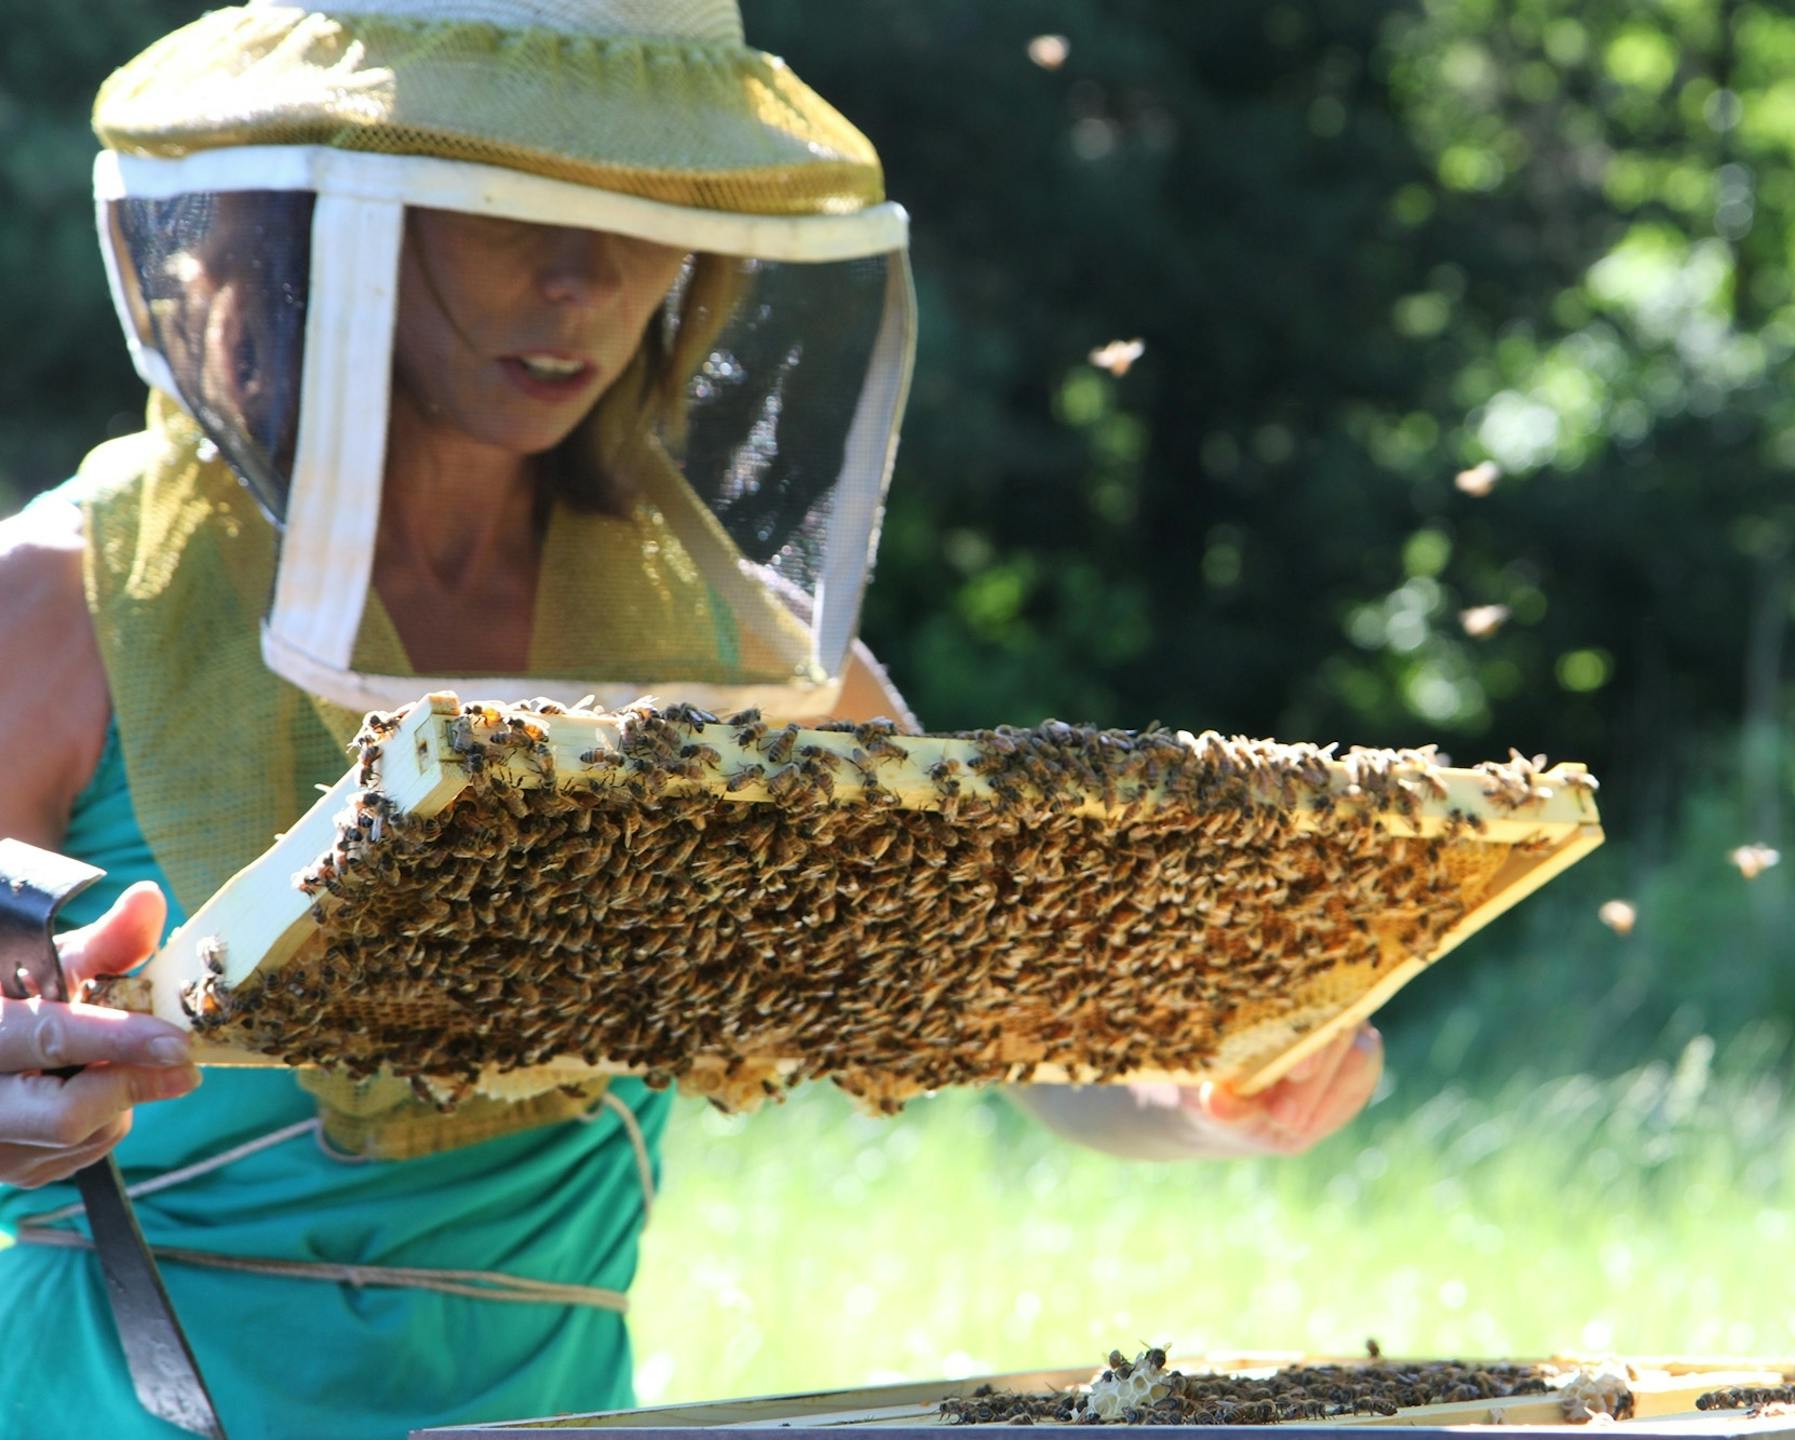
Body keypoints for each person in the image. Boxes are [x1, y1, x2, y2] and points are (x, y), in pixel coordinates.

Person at [0, 3, 1382, 1435]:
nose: (585, 280)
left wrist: (1206, 1075)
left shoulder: (722, 641)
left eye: (642, 204)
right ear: (315, 213)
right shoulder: (58, 602)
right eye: (506, 201)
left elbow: (993, 1017)